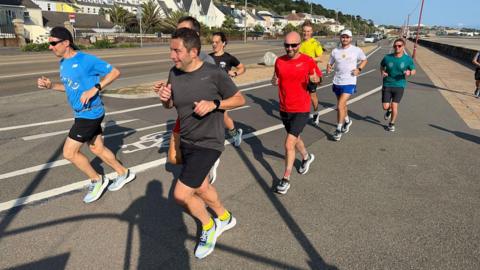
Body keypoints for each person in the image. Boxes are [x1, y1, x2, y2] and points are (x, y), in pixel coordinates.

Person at [156, 28, 245, 259]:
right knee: (202, 187)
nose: (172, 56)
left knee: (181, 195)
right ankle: (225, 218)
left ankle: (208, 226)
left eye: (177, 51)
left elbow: (239, 99)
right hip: (187, 140)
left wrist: (215, 104)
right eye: (171, 50)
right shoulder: (174, 73)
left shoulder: (214, 74)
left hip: (209, 142)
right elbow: (172, 105)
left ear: (193, 52)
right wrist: (165, 100)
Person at [37, 27, 135, 203]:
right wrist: (51, 86)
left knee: (69, 153)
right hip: (81, 113)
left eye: (53, 43)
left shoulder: (86, 60)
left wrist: (95, 88)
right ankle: (124, 173)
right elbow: (69, 87)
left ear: (66, 43)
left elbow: (114, 72)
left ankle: (97, 180)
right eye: (49, 44)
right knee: (97, 148)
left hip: (90, 114)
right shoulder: (63, 63)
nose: (50, 47)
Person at [271, 31, 321, 195]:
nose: (290, 48)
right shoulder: (279, 61)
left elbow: (319, 78)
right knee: (295, 138)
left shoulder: (307, 61)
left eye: (294, 45)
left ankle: (285, 179)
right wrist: (274, 81)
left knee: (288, 143)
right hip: (284, 108)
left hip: (301, 108)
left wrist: (316, 80)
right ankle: (306, 157)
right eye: (287, 45)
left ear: (299, 45)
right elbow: (275, 78)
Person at [327, 29, 367, 141]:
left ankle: (338, 129)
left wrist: (359, 69)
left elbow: (364, 60)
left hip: (349, 81)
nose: (345, 39)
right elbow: (330, 62)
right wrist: (329, 67)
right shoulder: (335, 51)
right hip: (337, 81)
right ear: (340, 38)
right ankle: (348, 121)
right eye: (343, 37)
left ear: (350, 38)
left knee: (340, 106)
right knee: (343, 105)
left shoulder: (356, 50)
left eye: (347, 37)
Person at [210, 31, 245, 147]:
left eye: (217, 42)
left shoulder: (228, 58)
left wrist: (235, 73)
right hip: (210, 89)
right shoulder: (208, 58)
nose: (214, 44)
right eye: (212, 42)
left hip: (223, 90)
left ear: (223, 43)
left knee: (222, 114)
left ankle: (235, 134)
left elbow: (242, 68)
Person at [380, 38, 416, 131]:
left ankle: (392, 124)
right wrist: (382, 72)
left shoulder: (407, 59)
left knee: (395, 105)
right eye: (395, 46)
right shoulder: (387, 57)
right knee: (385, 106)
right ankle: (389, 110)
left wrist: (409, 73)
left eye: (399, 46)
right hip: (387, 84)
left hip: (400, 85)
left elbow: (413, 70)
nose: (397, 47)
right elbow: (381, 66)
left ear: (403, 47)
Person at [299, 20, 323, 123]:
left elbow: (320, 57)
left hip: (312, 74)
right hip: (301, 74)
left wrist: (308, 59)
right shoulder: (300, 43)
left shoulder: (315, 43)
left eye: (308, 31)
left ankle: (316, 112)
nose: (306, 33)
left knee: (312, 96)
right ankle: (303, 113)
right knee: (302, 95)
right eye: (304, 31)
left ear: (312, 32)